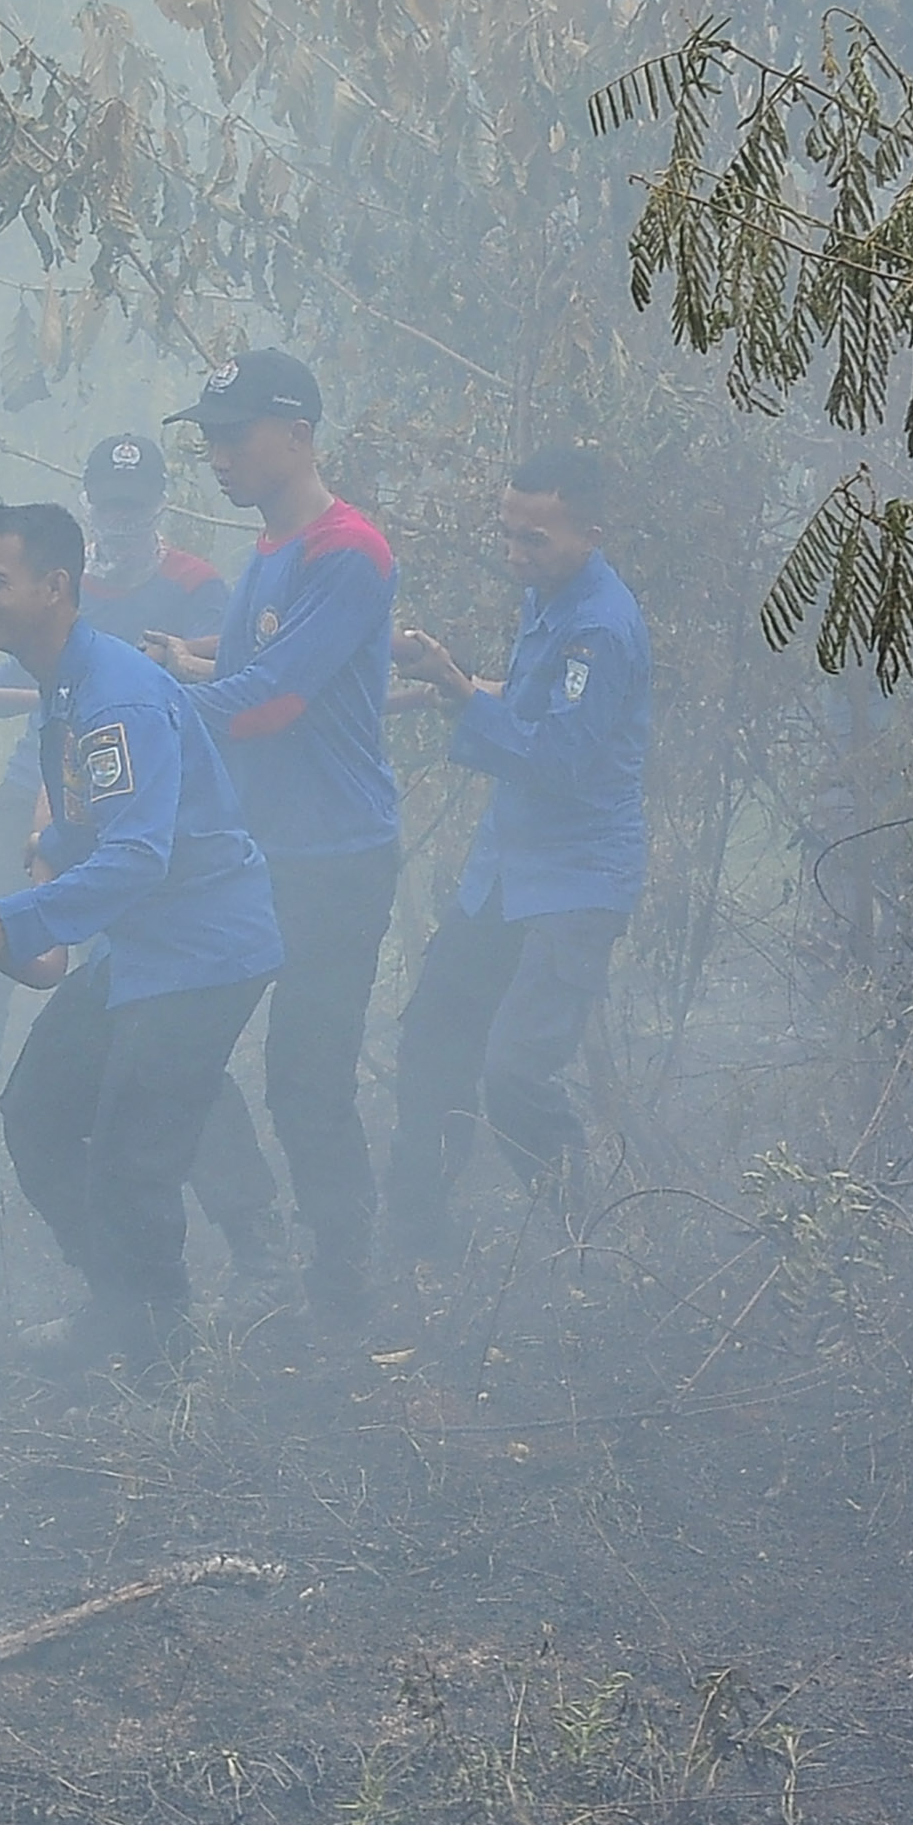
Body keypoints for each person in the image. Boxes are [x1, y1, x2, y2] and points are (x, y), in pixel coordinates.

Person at [0, 503, 283, 1383]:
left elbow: (138, 855)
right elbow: (100, 814)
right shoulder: (63, 682)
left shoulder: (117, 694)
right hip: (143, 945)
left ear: (56, 587)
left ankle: (163, 1356)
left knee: (136, 1160)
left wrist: (17, 919)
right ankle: (121, 1306)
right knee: (38, 1116)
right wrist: (46, 857)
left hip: (204, 950)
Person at [146, 350, 398, 1326]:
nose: (212, 454)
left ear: (295, 436)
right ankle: (259, 1251)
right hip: (255, 853)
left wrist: (147, 700)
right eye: (204, 435)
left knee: (305, 1082)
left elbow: (269, 702)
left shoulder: (346, 551)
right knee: (180, 1050)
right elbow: (244, 676)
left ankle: (344, 1287)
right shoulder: (266, 554)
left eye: (231, 433)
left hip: (334, 857)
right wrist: (174, 669)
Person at [388, 446, 652, 1258]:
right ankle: (420, 1241)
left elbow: (561, 758)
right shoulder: (549, 596)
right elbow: (528, 702)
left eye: (534, 539)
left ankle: (592, 1241)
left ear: (591, 534)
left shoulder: (600, 626)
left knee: (515, 1074)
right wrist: (449, 681)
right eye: (506, 533)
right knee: (432, 1038)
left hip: (573, 880)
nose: (514, 553)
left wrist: (466, 695)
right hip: (507, 868)